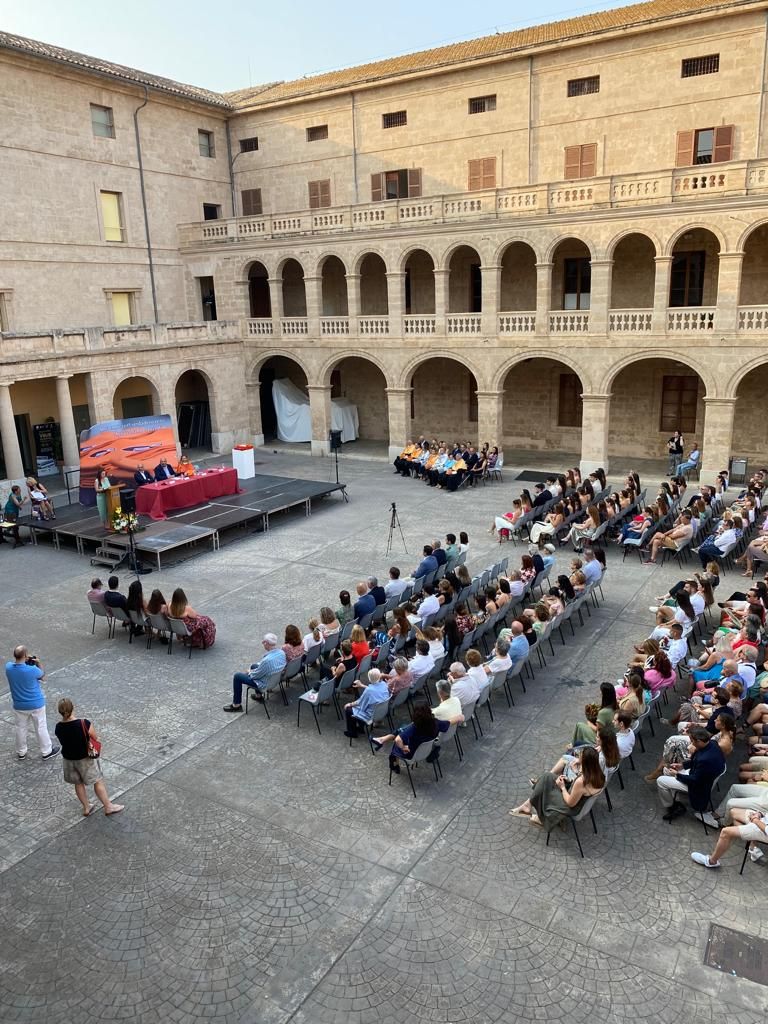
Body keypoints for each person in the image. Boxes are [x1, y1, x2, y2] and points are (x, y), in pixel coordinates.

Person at [54, 698, 124, 816]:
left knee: (78, 783)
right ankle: (108, 806)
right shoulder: (84, 723)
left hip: (68, 760)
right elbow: (95, 737)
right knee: (97, 781)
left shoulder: (58, 727)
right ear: (73, 708)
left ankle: (86, 807)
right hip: (85, 759)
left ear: (60, 712)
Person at [510, 746, 605, 828]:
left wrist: (563, 787)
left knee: (546, 785)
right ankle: (528, 805)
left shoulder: (581, 781)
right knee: (547, 776)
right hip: (578, 800)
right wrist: (570, 780)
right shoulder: (599, 775)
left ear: (585, 762)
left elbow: (570, 803)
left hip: (571, 807)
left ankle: (540, 816)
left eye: (580, 755)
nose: (578, 755)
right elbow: (583, 790)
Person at [655, 725, 725, 820]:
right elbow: (696, 762)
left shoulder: (705, 759)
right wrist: (682, 765)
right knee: (666, 770)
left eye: (692, 741)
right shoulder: (713, 743)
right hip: (701, 777)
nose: (691, 743)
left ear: (699, 741)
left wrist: (677, 775)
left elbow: (694, 780)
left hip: (697, 786)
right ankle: (675, 796)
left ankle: (673, 806)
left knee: (660, 781)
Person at [372, 702, 464, 769]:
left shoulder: (414, 728)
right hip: (425, 751)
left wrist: (403, 747)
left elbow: (397, 740)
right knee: (403, 729)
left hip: (410, 754)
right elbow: (449, 722)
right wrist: (460, 717)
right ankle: (382, 740)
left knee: (396, 745)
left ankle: (395, 765)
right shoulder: (436, 723)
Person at [6, 645, 59, 760]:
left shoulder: (8, 668)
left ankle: (21, 752)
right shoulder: (32, 670)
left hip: (19, 705)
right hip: (36, 704)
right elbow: (43, 677)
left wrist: (23, 659)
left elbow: (15, 664)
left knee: (20, 728)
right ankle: (46, 751)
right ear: (25, 656)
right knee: (41, 727)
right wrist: (38, 663)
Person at [224, 633, 287, 711]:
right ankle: (258, 696)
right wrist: (254, 669)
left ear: (267, 643)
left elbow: (255, 676)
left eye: (263, 642)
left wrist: (249, 672)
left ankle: (236, 705)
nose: (262, 643)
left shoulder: (266, 661)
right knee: (254, 666)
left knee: (237, 676)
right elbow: (261, 668)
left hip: (265, 684)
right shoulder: (282, 653)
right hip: (275, 680)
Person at [691, 807, 768, 869]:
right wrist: (760, 814)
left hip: (764, 830)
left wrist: (755, 820)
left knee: (726, 832)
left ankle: (712, 861)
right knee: (733, 812)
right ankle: (752, 847)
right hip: (763, 820)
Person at [343, 671, 390, 738]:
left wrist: (349, 704)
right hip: (381, 712)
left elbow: (360, 703)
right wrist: (362, 685)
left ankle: (352, 732)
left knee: (349, 709)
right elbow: (374, 690)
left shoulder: (369, 690)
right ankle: (360, 728)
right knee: (360, 707)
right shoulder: (384, 684)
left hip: (370, 715)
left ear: (369, 679)